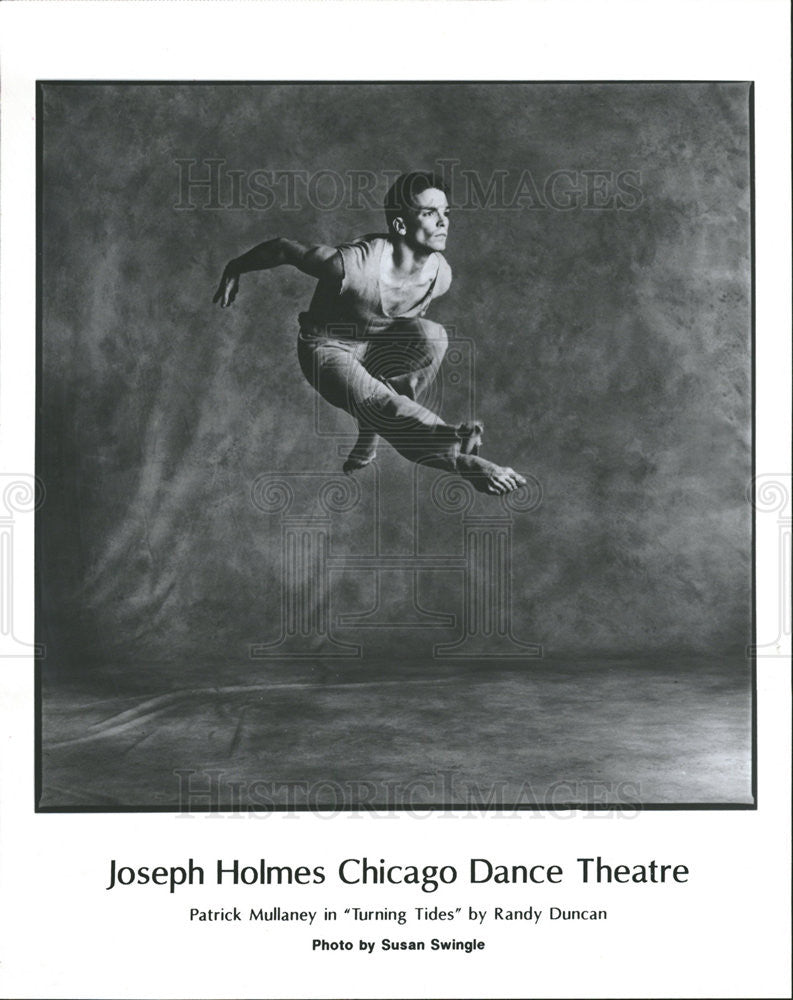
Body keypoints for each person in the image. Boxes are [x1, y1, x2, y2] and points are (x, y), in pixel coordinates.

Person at [213, 171, 526, 495]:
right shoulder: (351, 266)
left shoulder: (440, 277)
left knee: (434, 338)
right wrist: (235, 267)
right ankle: (464, 461)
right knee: (383, 405)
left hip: (375, 346)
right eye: (429, 213)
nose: (443, 222)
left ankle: (373, 426)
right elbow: (285, 250)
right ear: (401, 226)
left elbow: (406, 325)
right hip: (326, 349)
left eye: (445, 213)